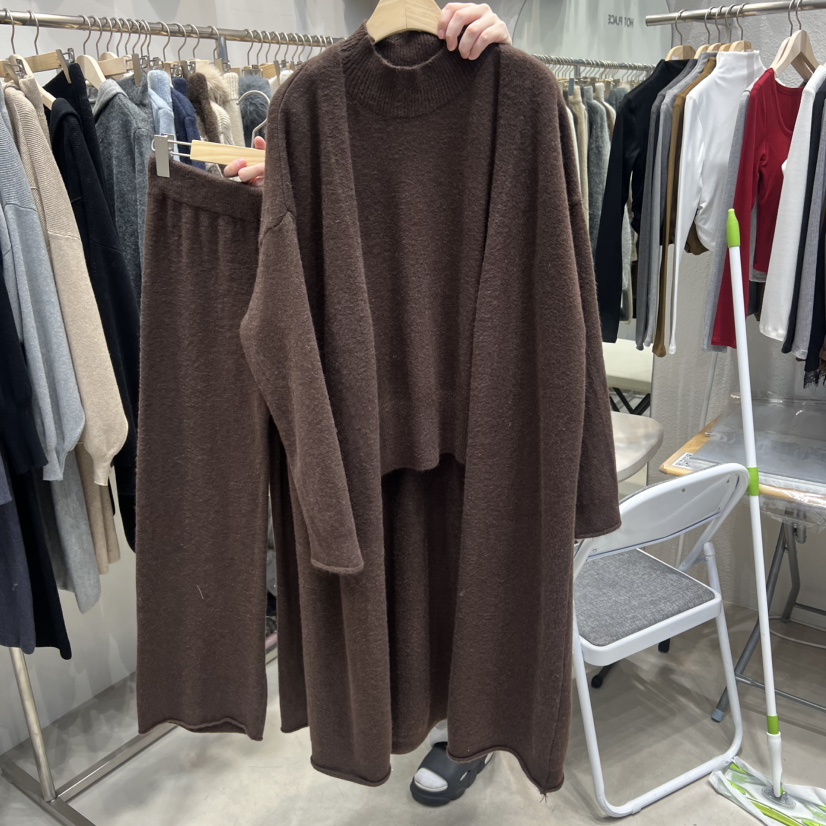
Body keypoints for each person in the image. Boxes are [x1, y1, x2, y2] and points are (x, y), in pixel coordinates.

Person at [225, 4, 513, 808]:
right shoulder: (306, 106)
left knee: (475, 614)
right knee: (411, 606)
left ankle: (470, 733)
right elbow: (276, 322)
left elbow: (559, 289)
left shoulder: (516, 93)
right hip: (360, 442)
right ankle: (449, 726)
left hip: (478, 440)